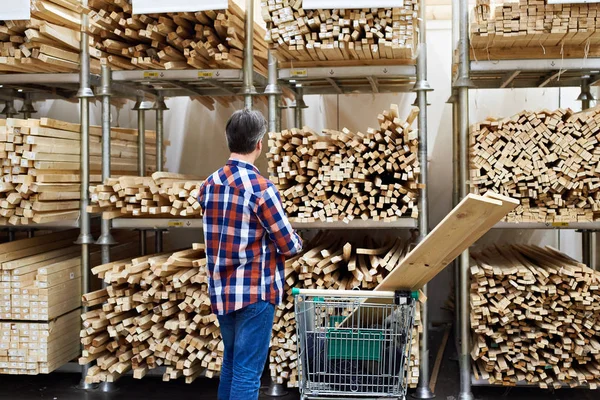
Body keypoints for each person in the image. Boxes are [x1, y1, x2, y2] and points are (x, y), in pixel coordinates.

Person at [198, 109, 303, 400]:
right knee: (247, 371)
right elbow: (289, 245)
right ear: (260, 144)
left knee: (231, 363)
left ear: (228, 140)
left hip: (221, 290)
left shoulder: (209, 185)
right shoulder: (262, 189)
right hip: (256, 291)